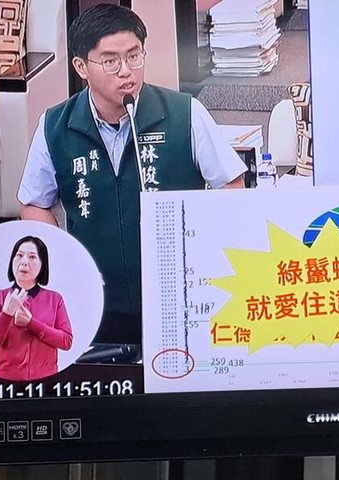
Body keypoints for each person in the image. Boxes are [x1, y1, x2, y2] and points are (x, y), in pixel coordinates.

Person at [17, 4, 247, 346]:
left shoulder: (185, 113)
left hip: (178, 296)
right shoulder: (55, 125)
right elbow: (33, 203)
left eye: (134, 56)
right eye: (110, 61)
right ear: (81, 67)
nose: (126, 71)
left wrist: (204, 253)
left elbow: (232, 186)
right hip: (93, 297)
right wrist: (65, 261)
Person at [0, 236, 73, 381]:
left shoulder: (55, 299)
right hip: (4, 383)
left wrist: (31, 323)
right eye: (19, 255)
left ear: (42, 264)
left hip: (45, 383)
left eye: (32, 257)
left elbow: (66, 341)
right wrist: (6, 314)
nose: (24, 262)